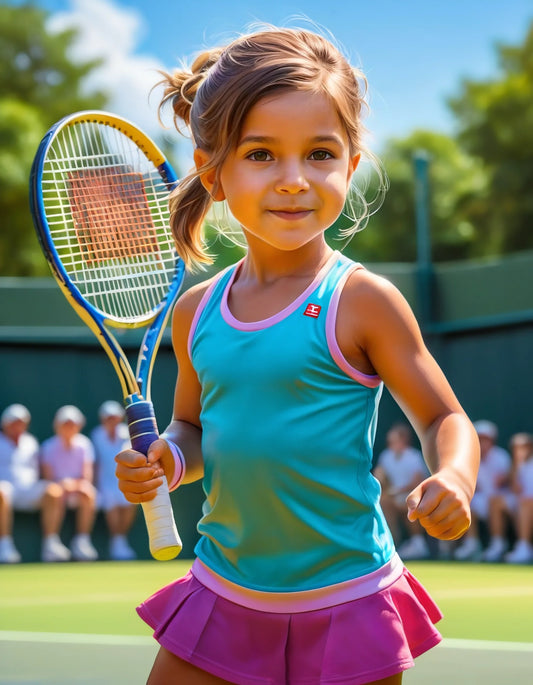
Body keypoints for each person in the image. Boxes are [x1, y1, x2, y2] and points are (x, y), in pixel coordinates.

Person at [115, 25, 480, 685]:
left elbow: (442, 418)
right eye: (260, 154)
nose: (292, 180)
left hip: (348, 601)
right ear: (212, 171)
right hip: (223, 592)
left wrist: (453, 478)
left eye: (318, 153)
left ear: (350, 160)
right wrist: (167, 458)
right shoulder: (195, 311)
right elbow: (194, 430)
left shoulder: (363, 299)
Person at [0, 404, 71, 563]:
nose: (18, 426)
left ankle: (50, 544)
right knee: (1, 492)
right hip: (6, 489)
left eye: (21, 423)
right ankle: (4, 545)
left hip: (29, 489)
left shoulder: (31, 442)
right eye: (14, 423)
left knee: (53, 490)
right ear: (5, 424)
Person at [40, 405, 99, 562]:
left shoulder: (84, 445)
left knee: (89, 493)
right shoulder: (48, 446)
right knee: (53, 492)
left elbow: (87, 477)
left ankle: (82, 541)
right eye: (65, 424)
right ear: (57, 426)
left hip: (77, 490)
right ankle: (50, 542)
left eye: (72, 424)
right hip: (57, 489)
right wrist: (63, 486)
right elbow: (48, 477)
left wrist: (70, 485)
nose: (69, 428)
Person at [454, 420, 511, 561]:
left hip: (501, 498)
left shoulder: (501, 457)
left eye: (486, 439)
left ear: (492, 441)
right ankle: (471, 543)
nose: (483, 443)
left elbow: (506, 482)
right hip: (481, 499)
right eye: (479, 439)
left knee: (494, 502)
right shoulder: (469, 458)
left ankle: (498, 543)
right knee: (466, 502)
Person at [373, 423, 431, 560]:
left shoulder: (414, 456)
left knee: (410, 503)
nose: (391, 443)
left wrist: (398, 491)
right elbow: (381, 477)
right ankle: (391, 542)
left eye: (394, 440)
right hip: (394, 496)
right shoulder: (386, 456)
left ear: (403, 440)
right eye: (390, 441)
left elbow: (418, 482)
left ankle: (418, 543)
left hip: (412, 496)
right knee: (383, 503)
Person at [91, 400, 137, 560]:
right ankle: (117, 541)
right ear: (103, 419)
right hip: (104, 483)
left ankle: (120, 539)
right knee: (111, 502)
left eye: (115, 417)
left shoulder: (128, 433)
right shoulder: (96, 435)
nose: (112, 420)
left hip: (125, 479)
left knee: (129, 503)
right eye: (108, 418)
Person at [482, 432, 533, 564]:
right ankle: (498, 544)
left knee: (526, 503)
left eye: (524, 447)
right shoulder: (516, 465)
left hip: (528, 504)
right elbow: (516, 489)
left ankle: (524, 546)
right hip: (521, 503)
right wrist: (517, 464)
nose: (520, 450)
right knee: (496, 501)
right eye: (516, 447)